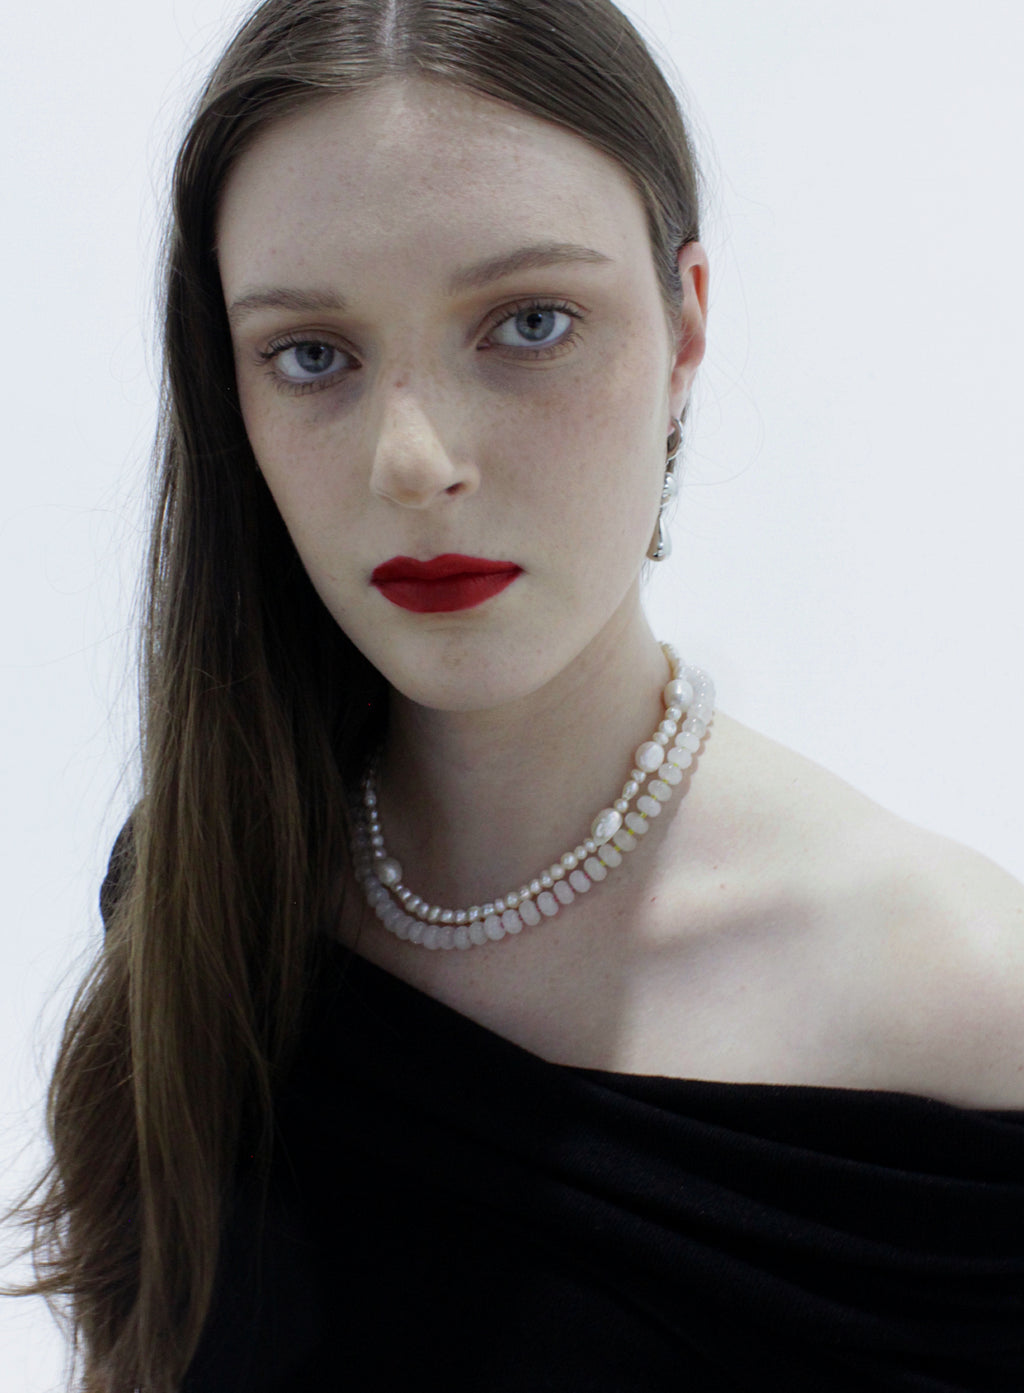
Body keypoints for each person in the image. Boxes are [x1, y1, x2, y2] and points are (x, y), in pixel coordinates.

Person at [5, 1, 1023, 1389]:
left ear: (685, 331)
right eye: (312, 354)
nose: (413, 460)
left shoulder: (966, 1011)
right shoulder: (208, 897)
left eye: (530, 323)